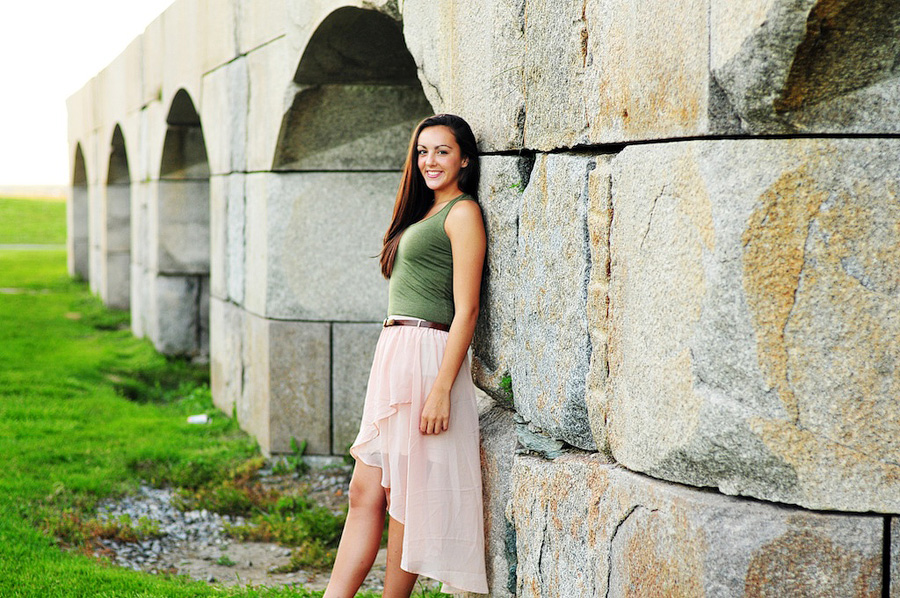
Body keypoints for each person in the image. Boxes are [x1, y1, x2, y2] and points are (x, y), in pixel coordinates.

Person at [323, 114, 489, 597]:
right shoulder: (423, 212)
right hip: (396, 352)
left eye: (442, 151)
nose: (430, 161)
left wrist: (441, 390)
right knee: (364, 493)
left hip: (426, 356)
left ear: (464, 159)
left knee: (405, 501)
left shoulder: (462, 213)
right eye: (422, 151)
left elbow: (469, 309)